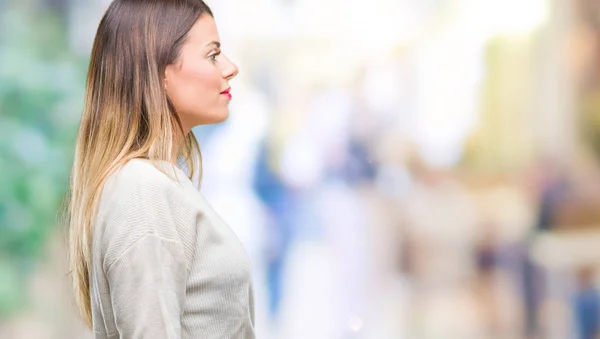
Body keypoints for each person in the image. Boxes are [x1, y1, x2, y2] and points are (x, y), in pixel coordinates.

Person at [65, 0, 255, 338]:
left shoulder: (156, 182)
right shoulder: (141, 190)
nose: (230, 68)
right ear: (159, 72)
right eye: (212, 55)